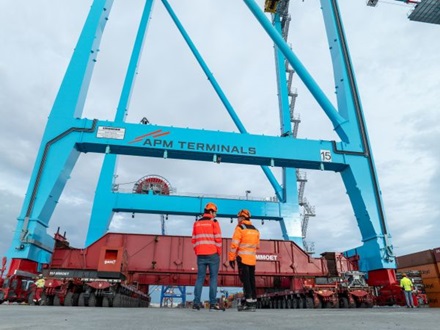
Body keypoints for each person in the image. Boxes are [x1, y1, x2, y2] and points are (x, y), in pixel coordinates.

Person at [191, 202, 222, 311]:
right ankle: (213, 304)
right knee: (213, 278)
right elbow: (218, 239)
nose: (215, 215)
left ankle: (196, 303)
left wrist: (197, 251)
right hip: (213, 254)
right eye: (215, 212)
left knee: (200, 278)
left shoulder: (196, 223)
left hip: (200, 254)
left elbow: (193, 240)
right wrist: (218, 252)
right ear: (211, 211)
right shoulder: (214, 222)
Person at [228, 209, 260, 311]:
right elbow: (257, 246)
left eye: (238, 217)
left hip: (242, 259)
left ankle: (249, 304)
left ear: (242, 218)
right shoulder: (256, 230)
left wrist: (231, 258)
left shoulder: (240, 228)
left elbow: (234, 245)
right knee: (251, 280)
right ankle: (253, 302)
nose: (238, 219)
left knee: (245, 281)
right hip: (252, 259)